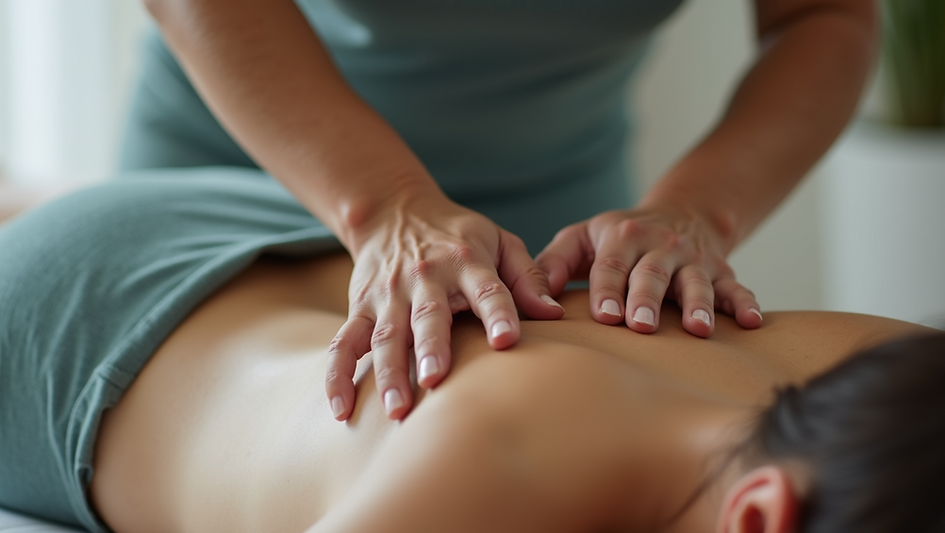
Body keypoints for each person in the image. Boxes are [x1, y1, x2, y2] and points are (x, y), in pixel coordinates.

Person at [1, 173, 945, 533]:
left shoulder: (904, 375)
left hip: (277, 226)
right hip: (72, 326)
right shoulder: (507, 474)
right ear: (757, 523)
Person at [125, 0, 878, 419]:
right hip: (254, 179)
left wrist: (699, 211)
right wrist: (385, 205)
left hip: (554, 238)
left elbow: (826, 14)